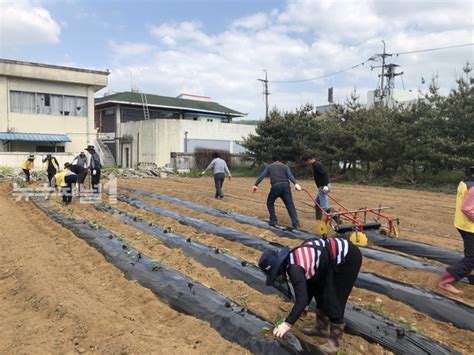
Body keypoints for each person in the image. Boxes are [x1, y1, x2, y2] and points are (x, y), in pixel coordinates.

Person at [259, 237, 362, 353]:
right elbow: (310, 284)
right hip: (327, 261)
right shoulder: (293, 260)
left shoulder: (295, 268)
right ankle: (321, 329)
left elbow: (301, 300)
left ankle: (334, 344)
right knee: (320, 291)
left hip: (347, 258)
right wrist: (306, 305)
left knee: (334, 298)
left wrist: (287, 324)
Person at [438, 166, 474, 294]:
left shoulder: (465, 182)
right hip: (469, 227)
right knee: (471, 258)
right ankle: (446, 281)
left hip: (462, 223)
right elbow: (467, 209)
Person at [252, 156, 301, 230]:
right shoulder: (285, 166)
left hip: (276, 186)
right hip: (285, 186)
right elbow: (290, 176)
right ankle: (295, 224)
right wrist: (296, 184)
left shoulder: (269, 167)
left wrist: (255, 185)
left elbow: (262, 176)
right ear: (280, 160)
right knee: (290, 204)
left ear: (273, 161)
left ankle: (273, 220)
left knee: (270, 202)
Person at [302, 155, 332, 220]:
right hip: (323, 186)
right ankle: (318, 219)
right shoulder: (315, 165)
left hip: (323, 186)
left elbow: (325, 173)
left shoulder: (317, 165)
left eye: (306, 162)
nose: (306, 164)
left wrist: (326, 185)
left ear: (309, 160)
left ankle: (336, 218)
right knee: (317, 202)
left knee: (324, 207)